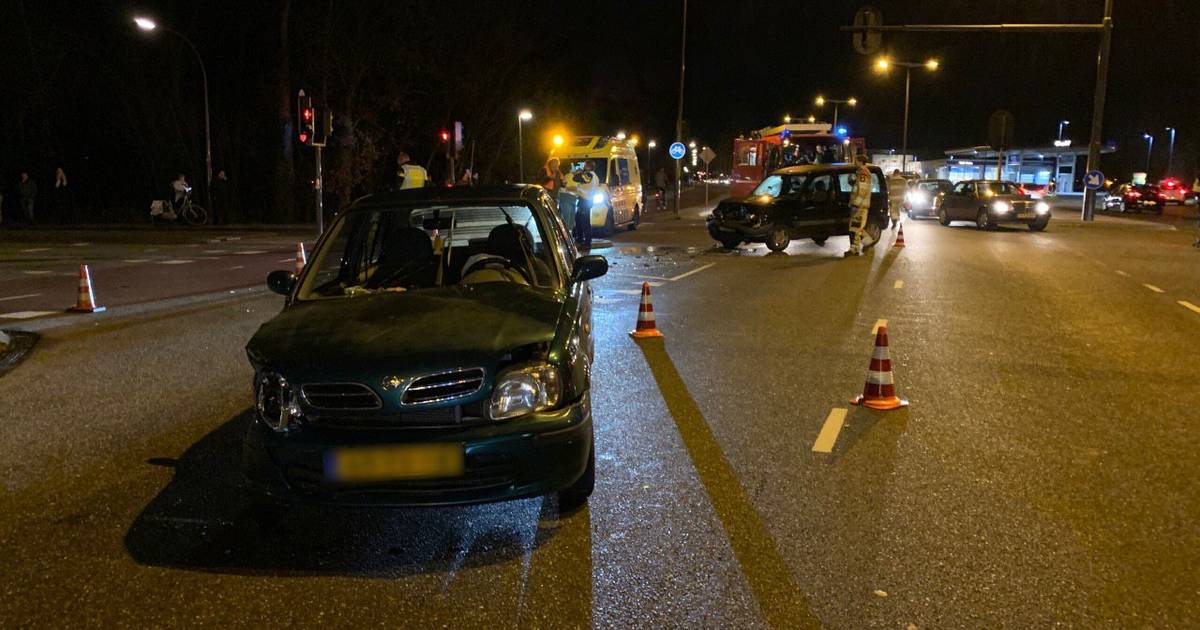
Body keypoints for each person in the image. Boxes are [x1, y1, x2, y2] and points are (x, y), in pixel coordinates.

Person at [845, 154, 872, 257]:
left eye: (855, 161)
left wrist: (855, 205)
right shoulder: (861, 173)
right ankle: (867, 242)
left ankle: (854, 250)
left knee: (856, 228)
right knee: (857, 227)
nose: (854, 162)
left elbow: (862, 191)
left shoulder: (863, 173)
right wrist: (853, 183)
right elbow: (859, 188)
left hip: (860, 206)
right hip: (861, 205)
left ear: (860, 161)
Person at [571, 160, 599, 249]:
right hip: (586, 200)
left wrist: (578, 172)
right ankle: (580, 239)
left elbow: (575, 178)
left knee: (584, 222)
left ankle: (586, 242)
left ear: (589, 167)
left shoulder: (589, 175)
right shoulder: (595, 176)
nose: (583, 167)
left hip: (585, 200)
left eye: (585, 165)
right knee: (579, 220)